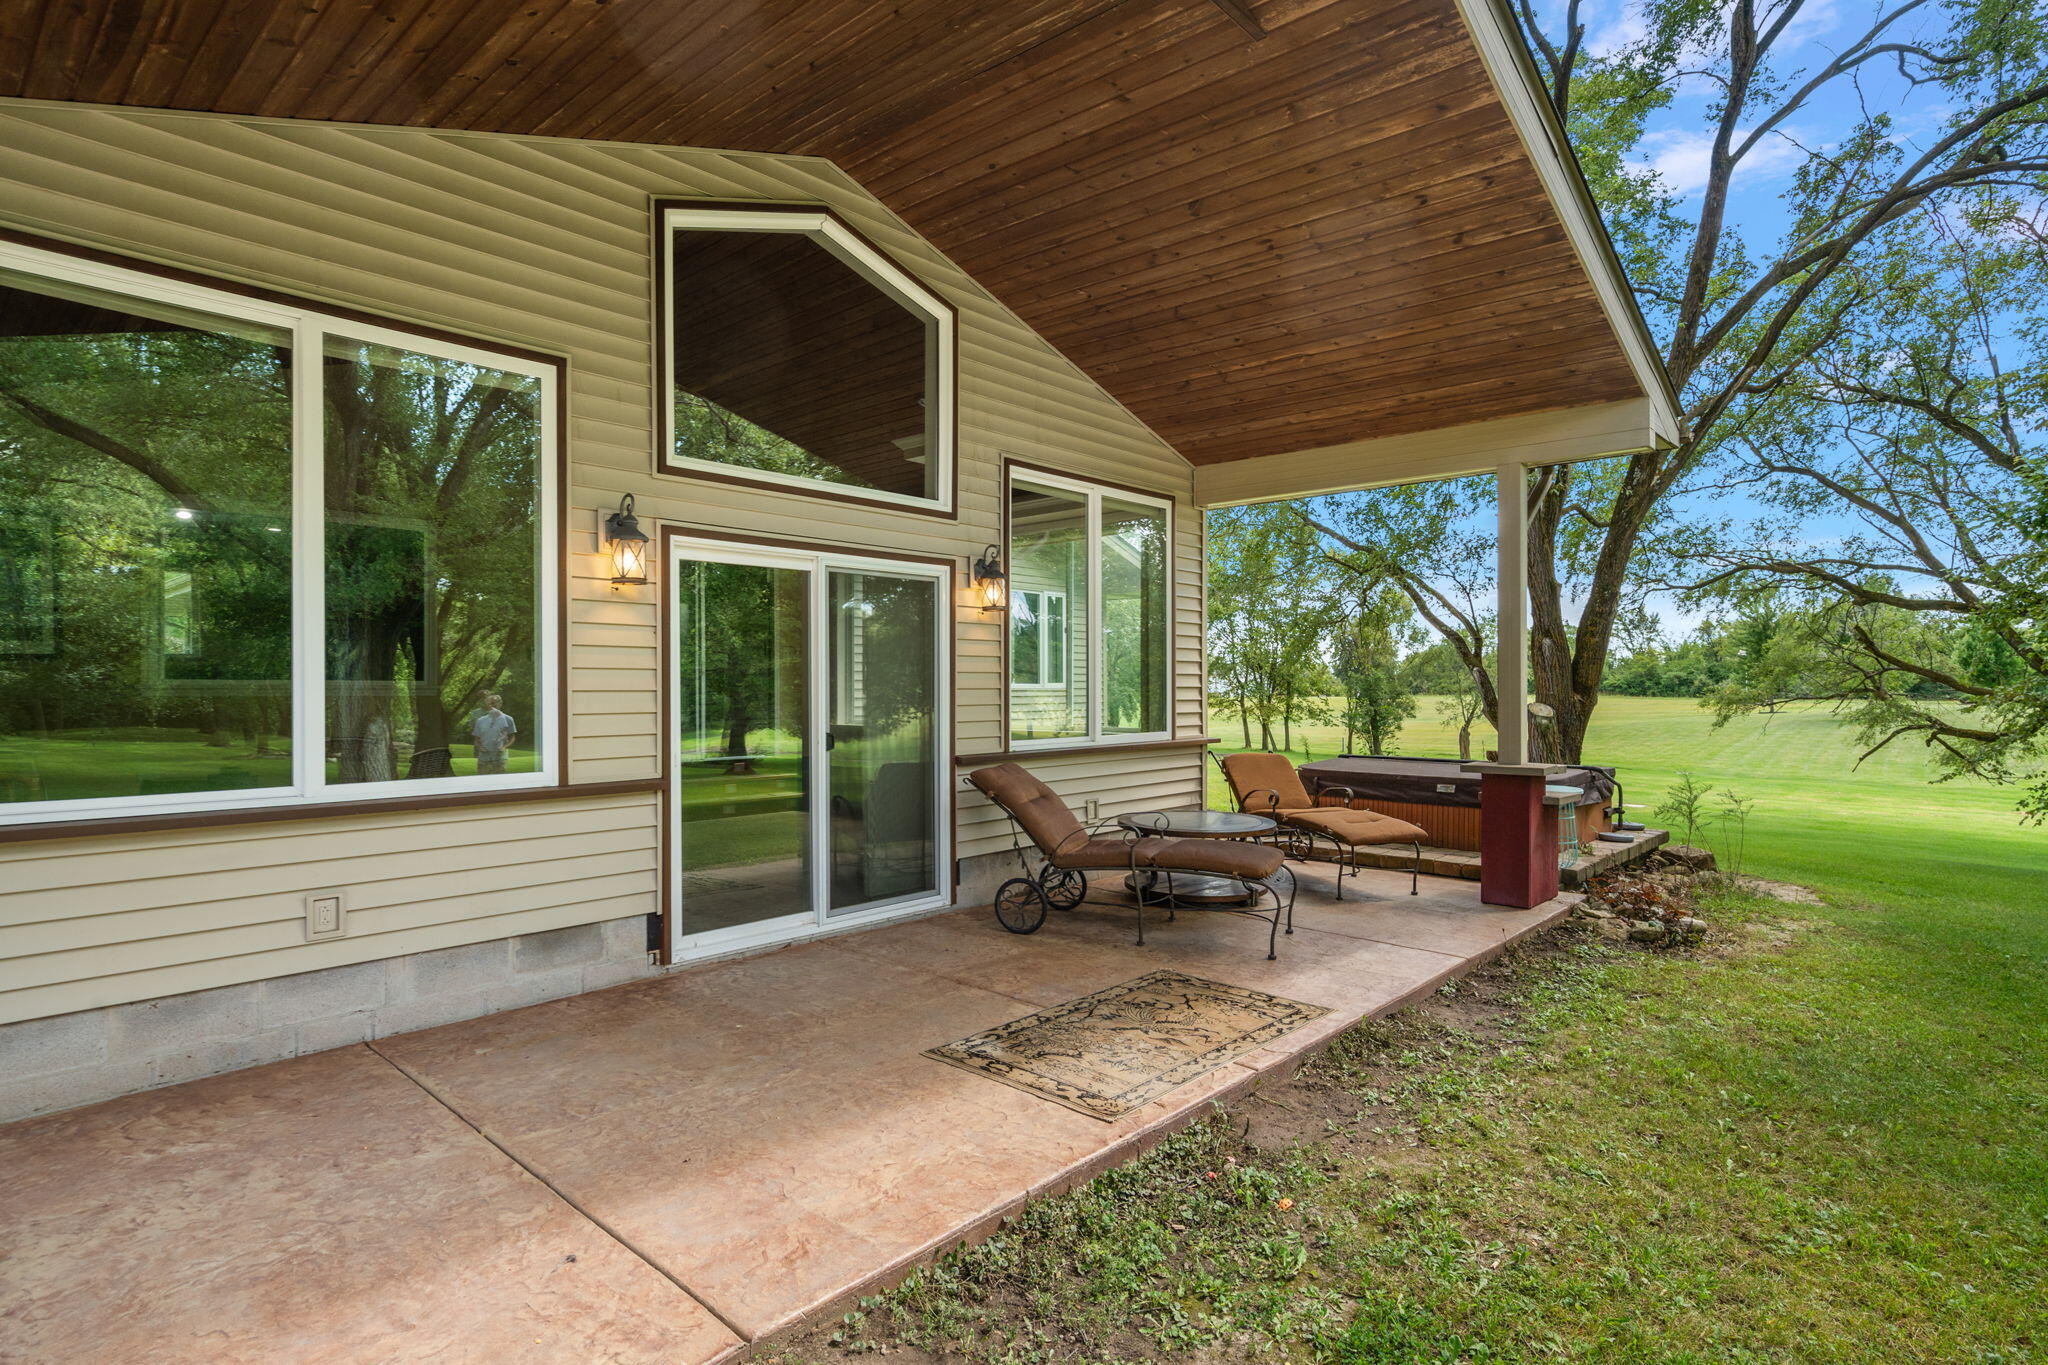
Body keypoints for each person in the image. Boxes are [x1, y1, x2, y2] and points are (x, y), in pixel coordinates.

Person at [470, 694, 517, 775]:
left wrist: (504, 747)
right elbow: (476, 739)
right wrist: (480, 747)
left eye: (493, 703)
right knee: (482, 784)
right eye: (489, 704)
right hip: (483, 759)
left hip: (499, 759)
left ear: (500, 704)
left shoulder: (508, 719)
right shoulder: (480, 720)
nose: (491, 706)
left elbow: (512, 737)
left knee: (499, 783)